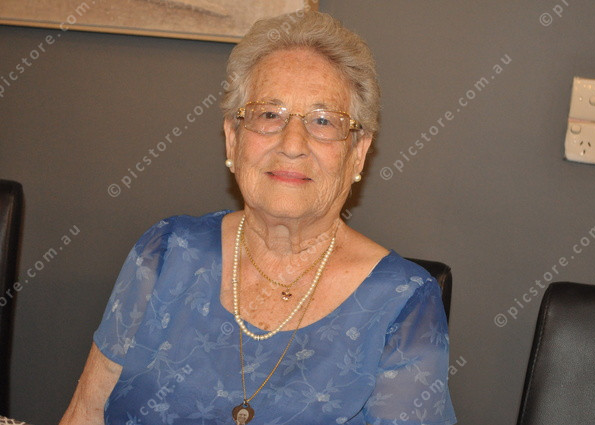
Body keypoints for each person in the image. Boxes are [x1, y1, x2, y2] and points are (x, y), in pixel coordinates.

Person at [60, 11, 456, 425]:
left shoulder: (401, 303)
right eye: (269, 114)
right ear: (232, 137)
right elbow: (84, 414)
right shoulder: (166, 253)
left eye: (323, 121)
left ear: (357, 153)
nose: (292, 143)